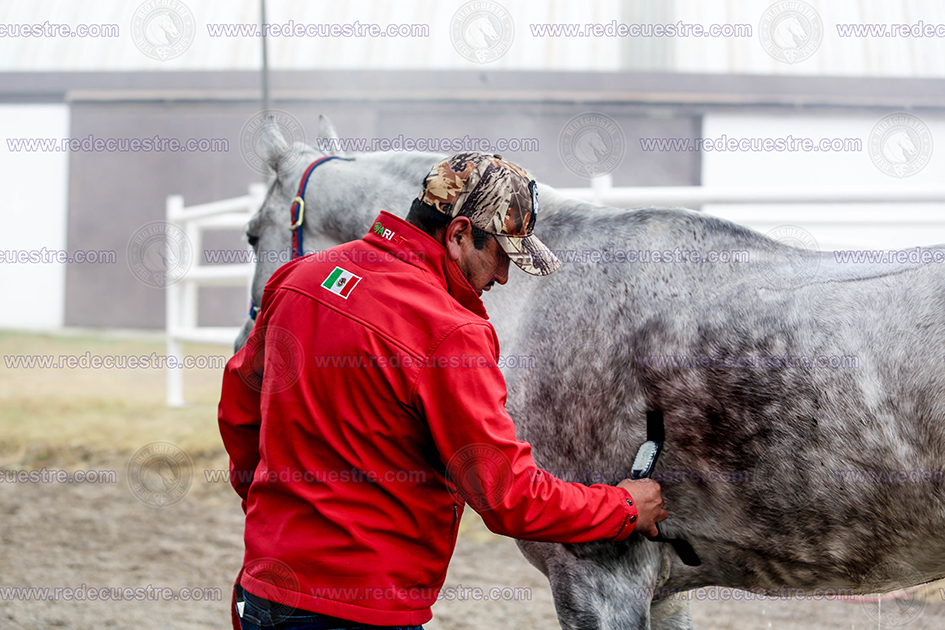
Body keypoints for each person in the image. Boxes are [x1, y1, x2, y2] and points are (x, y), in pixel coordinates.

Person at [218, 152, 668, 630]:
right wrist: (623, 508)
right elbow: (507, 494)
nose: (503, 276)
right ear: (458, 235)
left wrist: (275, 516)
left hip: (262, 594)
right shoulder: (449, 334)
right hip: (362, 610)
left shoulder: (300, 278)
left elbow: (240, 416)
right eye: (501, 256)